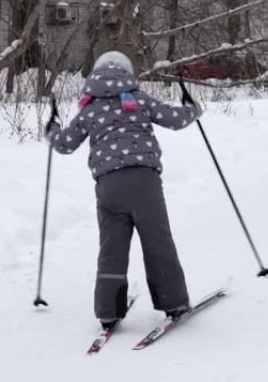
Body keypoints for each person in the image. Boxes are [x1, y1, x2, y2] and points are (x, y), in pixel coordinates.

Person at [45, 51, 203, 330]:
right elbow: (175, 119)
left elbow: (65, 144)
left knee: (112, 249)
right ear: (128, 74)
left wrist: (53, 128)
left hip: (109, 187)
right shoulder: (138, 100)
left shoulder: (89, 109)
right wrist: (191, 108)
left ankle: (108, 310)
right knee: (157, 242)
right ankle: (174, 302)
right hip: (145, 183)